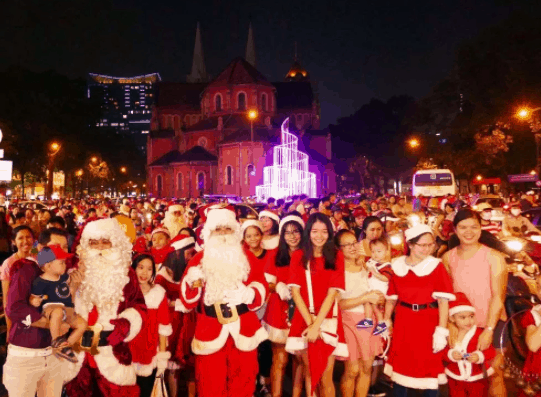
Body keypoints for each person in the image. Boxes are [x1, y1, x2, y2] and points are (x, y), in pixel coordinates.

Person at [176, 207, 269, 397]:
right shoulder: (198, 260)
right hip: (210, 328)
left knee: (244, 380)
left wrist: (250, 294)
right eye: (218, 230)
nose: (223, 234)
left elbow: (262, 285)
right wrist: (192, 282)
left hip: (244, 328)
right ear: (209, 233)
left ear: (235, 232)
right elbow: (186, 301)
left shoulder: (246, 257)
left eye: (227, 229)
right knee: (210, 383)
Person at [63, 218, 147, 397]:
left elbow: (139, 307)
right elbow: (58, 309)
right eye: (94, 243)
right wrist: (72, 287)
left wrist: (126, 324)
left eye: (105, 242)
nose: (100, 248)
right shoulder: (73, 271)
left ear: (115, 243)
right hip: (78, 357)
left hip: (112, 354)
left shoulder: (126, 273)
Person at [2, 229, 78, 397]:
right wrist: (51, 324)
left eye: (64, 247)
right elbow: (14, 308)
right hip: (26, 356)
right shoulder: (26, 269)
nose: (61, 252)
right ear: (41, 248)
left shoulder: (61, 273)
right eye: (55, 247)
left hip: (52, 356)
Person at [383, 224, 455, 396]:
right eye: (423, 245)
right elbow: (391, 297)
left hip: (427, 321)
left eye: (431, 245)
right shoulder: (398, 265)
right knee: (401, 366)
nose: (428, 249)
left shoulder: (436, 266)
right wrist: (386, 320)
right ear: (411, 245)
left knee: (429, 368)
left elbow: (444, 301)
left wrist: (441, 331)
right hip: (404, 321)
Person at [442, 209, 507, 397]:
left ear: (481, 228)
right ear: (455, 229)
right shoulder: (448, 257)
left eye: (473, 227)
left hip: (491, 323)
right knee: (461, 375)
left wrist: (488, 329)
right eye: (463, 227)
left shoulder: (495, 257)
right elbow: (446, 296)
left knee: (494, 373)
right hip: (460, 325)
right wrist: (449, 324)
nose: (468, 232)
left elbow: (498, 297)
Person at [285, 213, 348, 397]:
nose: (319, 236)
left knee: (326, 375)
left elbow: (332, 293)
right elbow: (295, 292)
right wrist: (310, 325)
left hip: (328, 318)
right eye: (314, 231)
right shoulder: (299, 256)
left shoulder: (336, 256)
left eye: (324, 231)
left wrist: (316, 326)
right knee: (310, 372)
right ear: (308, 233)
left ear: (329, 233)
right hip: (304, 318)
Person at [336, 229, 384, 397]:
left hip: (368, 320)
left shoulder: (366, 265)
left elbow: (378, 289)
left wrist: (379, 298)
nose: (352, 247)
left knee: (366, 367)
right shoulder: (337, 270)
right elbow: (338, 304)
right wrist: (365, 298)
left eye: (354, 243)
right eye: (346, 244)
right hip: (348, 321)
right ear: (338, 248)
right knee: (353, 369)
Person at [264, 214, 306, 397]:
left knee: (300, 359)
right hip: (278, 310)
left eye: (295, 231)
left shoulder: (308, 255)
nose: (291, 236)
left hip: (302, 310)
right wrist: (278, 286)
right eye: (287, 232)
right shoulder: (275, 254)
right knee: (280, 359)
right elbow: (266, 282)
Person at [155, 234, 197, 397]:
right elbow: (159, 301)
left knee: (191, 365)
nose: (192, 257)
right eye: (189, 253)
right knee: (172, 367)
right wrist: (180, 304)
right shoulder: (163, 274)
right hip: (172, 324)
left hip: (190, 322)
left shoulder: (191, 270)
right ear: (178, 253)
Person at [30, 245, 87, 363]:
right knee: (57, 312)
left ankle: (65, 346)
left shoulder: (63, 277)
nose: (65, 265)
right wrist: (34, 301)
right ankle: (56, 341)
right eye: (61, 263)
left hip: (67, 310)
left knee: (82, 324)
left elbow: (74, 279)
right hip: (50, 308)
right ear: (48, 265)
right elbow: (33, 297)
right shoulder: (40, 281)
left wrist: (81, 268)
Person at [130, 254, 172, 397]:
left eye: (149, 269)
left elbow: (164, 327)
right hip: (125, 352)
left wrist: (161, 355)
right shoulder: (124, 292)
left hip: (148, 354)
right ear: (133, 268)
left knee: (145, 391)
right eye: (141, 267)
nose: (144, 273)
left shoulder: (159, 293)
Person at [443, 293, 496, 397]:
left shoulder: (479, 333)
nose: (469, 321)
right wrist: (450, 355)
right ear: (452, 319)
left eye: (471, 316)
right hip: (455, 377)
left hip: (477, 378)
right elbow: (441, 353)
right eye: (463, 317)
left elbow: (491, 351)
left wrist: (479, 356)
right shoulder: (448, 334)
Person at [1, 225, 36, 341]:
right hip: (19, 314)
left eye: (28, 237)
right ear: (13, 242)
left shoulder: (39, 257)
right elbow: (7, 300)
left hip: (38, 312)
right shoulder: (9, 263)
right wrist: (9, 328)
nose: (25, 241)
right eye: (20, 238)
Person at [358, 237, 392, 335]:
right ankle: (368, 319)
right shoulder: (371, 261)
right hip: (370, 289)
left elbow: (386, 278)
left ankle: (381, 323)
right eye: (373, 251)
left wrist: (374, 273)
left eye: (379, 251)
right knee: (366, 302)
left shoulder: (386, 265)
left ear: (386, 251)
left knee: (374, 305)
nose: (375, 254)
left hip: (380, 290)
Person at [518, 272, 541, 397]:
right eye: (538, 286)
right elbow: (533, 345)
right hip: (537, 371)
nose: (540, 292)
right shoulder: (533, 314)